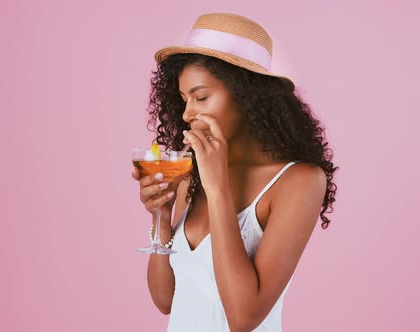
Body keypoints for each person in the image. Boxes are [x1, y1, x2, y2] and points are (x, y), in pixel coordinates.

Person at [131, 13, 338, 332]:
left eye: (200, 97)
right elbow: (165, 299)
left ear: (246, 97)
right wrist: (161, 213)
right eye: (184, 99)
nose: (187, 113)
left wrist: (217, 191)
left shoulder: (299, 181)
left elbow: (243, 317)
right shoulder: (193, 176)